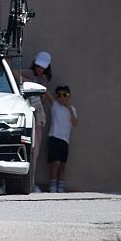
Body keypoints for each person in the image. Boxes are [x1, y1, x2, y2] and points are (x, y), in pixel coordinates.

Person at [19, 50, 53, 192]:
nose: (40, 69)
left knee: (36, 151)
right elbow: (14, 73)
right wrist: (29, 82)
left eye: (42, 67)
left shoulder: (44, 79)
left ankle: (31, 182)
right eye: (38, 66)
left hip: (37, 119)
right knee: (29, 149)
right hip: (28, 115)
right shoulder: (30, 73)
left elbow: (44, 98)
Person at [48, 85, 78, 193]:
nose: (62, 97)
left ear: (69, 96)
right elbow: (47, 93)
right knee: (55, 163)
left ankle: (60, 188)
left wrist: (69, 108)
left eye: (65, 95)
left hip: (65, 141)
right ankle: (52, 188)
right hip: (54, 137)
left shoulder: (72, 109)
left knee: (62, 165)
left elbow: (75, 123)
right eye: (59, 95)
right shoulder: (55, 105)